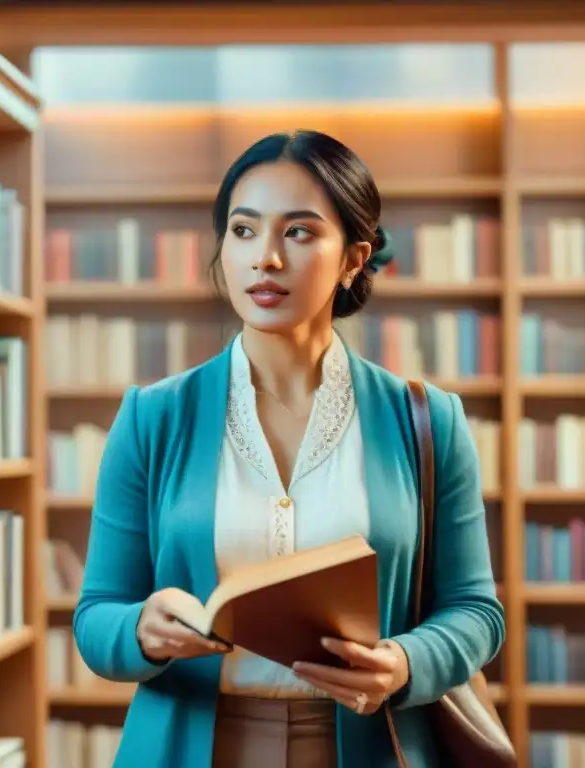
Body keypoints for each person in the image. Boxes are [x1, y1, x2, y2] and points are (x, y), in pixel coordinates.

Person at [73, 129, 505, 767]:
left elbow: (476, 612)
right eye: (244, 231)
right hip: (195, 745)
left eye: (298, 233)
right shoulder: (152, 417)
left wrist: (406, 663)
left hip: (369, 748)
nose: (265, 258)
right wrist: (142, 630)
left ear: (354, 258)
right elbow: (94, 617)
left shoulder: (428, 421)